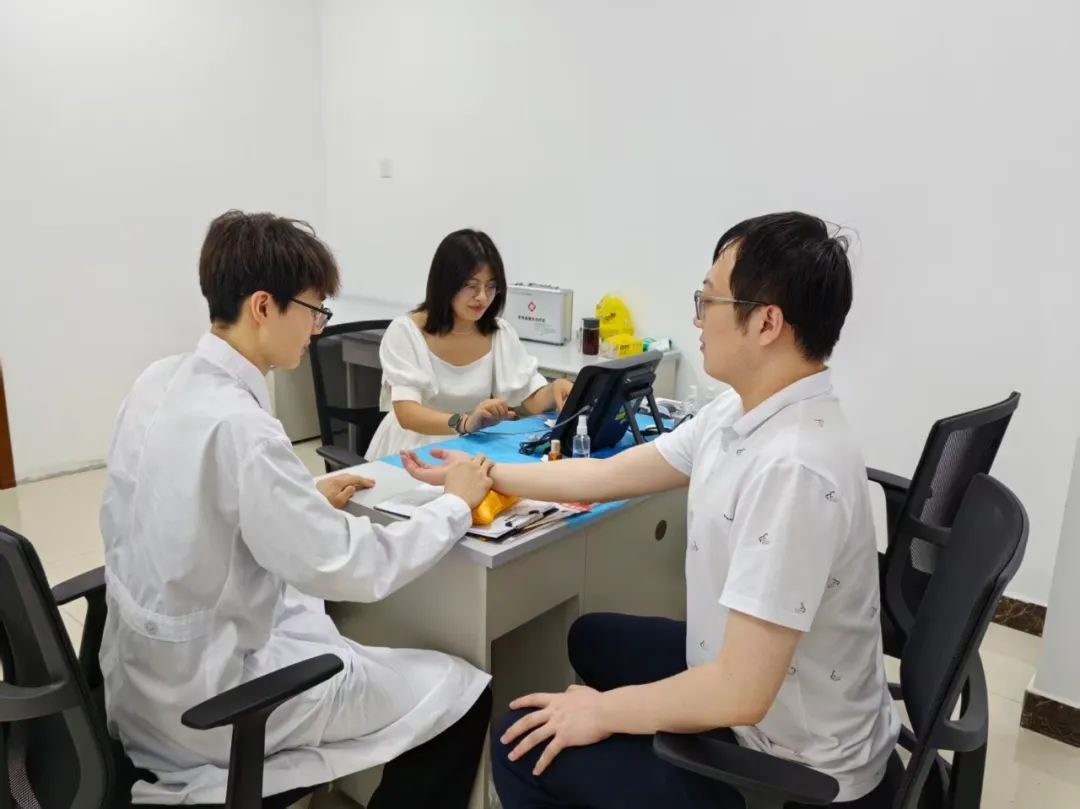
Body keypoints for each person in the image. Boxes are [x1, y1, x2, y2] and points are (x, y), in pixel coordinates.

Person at [402, 212, 903, 809]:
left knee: (520, 749)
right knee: (589, 638)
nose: (697, 317)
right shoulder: (739, 411)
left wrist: (602, 712)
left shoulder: (793, 468)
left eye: (708, 300)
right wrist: (482, 474)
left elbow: (740, 694)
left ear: (767, 322)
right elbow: (607, 474)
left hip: (783, 757)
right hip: (752, 686)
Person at [99, 210, 495, 808]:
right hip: (213, 705)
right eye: (314, 310)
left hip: (140, 685)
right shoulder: (243, 428)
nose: (317, 329)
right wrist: (455, 506)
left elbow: (179, 507)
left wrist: (298, 500)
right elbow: (355, 567)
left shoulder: (159, 380)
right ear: (263, 306)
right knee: (460, 692)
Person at [364, 229, 574, 460]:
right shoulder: (406, 332)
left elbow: (529, 398)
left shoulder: (499, 333)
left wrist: (554, 390)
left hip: (471, 445)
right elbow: (407, 414)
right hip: (413, 447)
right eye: (471, 286)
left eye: (491, 286)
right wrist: (464, 423)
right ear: (445, 284)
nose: (482, 297)